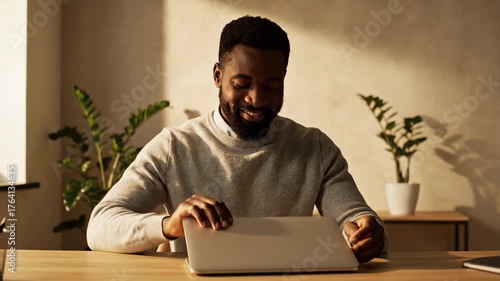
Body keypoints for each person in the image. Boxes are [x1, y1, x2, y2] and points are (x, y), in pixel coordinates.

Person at [87, 15, 387, 263]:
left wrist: (366, 232)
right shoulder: (174, 147)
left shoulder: (314, 147)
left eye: (272, 86)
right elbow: (100, 227)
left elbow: (356, 217)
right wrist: (169, 226)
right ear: (218, 76)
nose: (257, 99)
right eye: (242, 84)